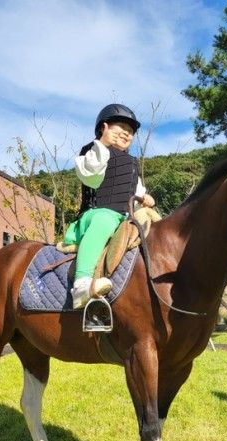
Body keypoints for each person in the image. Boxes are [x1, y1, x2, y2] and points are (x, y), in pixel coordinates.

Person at [65, 103, 155, 309]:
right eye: (120, 127)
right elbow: (92, 178)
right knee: (104, 219)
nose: (126, 133)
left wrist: (144, 197)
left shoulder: (131, 164)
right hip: (95, 214)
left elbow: (135, 189)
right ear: (102, 128)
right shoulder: (92, 152)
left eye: (131, 131)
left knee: (153, 223)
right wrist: (102, 145)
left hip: (124, 217)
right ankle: (82, 283)